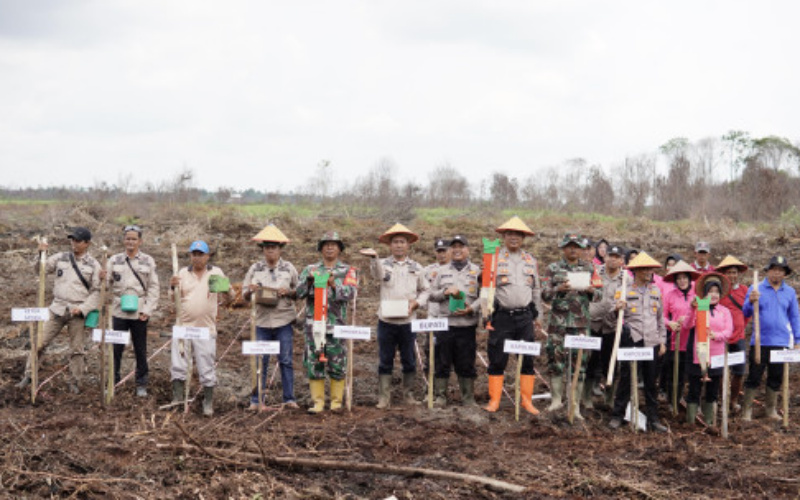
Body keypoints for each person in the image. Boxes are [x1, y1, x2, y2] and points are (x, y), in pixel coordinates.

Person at [17, 227, 101, 394]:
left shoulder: (93, 265)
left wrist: (83, 308)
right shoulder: (61, 257)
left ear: (87, 243)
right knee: (39, 343)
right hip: (56, 309)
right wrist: (41, 254)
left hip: (76, 312)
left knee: (77, 350)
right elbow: (40, 270)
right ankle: (29, 376)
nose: (73, 243)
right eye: (72, 240)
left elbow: (97, 291)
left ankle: (74, 382)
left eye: (77, 241)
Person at [361, 223, 430, 409]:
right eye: (395, 242)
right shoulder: (383, 264)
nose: (399, 245)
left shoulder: (417, 267)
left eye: (402, 242)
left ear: (408, 245)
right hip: (386, 321)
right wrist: (374, 258)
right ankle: (384, 397)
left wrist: (417, 303)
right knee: (385, 359)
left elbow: (426, 290)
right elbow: (377, 275)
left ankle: (408, 395)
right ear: (390, 246)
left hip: (408, 322)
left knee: (409, 359)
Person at [483, 216, 542, 415]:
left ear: (523, 238)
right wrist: (485, 312)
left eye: (518, 234)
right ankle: (495, 400)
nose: (514, 237)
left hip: (525, 317)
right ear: (503, 236)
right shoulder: (494, 258)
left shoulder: (530, 260)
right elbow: (486, 288)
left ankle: (526, 401)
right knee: (497, 357)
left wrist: (538, 316)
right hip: (502, 316)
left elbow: (536, 290)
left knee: (527, 358)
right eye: (510, 234)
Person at [541, 233, 602, 418]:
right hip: (558, 324)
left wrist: (592, 290)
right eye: (569, 246)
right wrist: (557, 289)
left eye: (576, 246)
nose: (573, 249)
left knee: (580, 364)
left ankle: (574, 404)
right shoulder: (553, 268)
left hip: (581, 324)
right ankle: (556, 400)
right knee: (555, 360)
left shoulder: (590, 268)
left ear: (582, 249)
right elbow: (544, 294)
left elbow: (600, 295)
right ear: (563, 248)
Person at [296, 232, 357, 413]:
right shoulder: (310, 269)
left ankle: (337, 402)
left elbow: (351, 294)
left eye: (334, 244)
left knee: (338, 363)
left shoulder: (348, 270)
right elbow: (298, 293)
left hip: (336, 325)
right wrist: (309, 281)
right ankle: (318, 402)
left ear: (339, 249)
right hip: (313, 325)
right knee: (314, 363)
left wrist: (333, 284)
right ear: (321, 248)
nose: (330, 247)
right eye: (326, 244)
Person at [169, 240, 232, 416]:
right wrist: (172, 286)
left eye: (200, 254)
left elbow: (228, 299)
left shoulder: (216, 273)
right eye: (194, 254)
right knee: (178, 364)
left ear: (207, 256)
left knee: (206, 365)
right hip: (183, 327)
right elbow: (173, 300)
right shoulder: (182, 273)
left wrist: (225, 288)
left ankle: (208, 402)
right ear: (190, 256)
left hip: (205, 329)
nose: (196, 258)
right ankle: (178, 398)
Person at [608, 252, 668, 433]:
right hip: (632, 340)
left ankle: (653, 419)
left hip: (652, 342)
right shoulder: (625, 290)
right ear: (637, 271)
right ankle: (617, 416)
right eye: (645, 269)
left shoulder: (656, 291)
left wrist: (662, 341)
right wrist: (616, 308)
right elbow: (612, 317)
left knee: (651, 382)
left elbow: (660, 320)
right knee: (626, 379)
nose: (649, 272)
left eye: (650, 269)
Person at [242, 224, 299, 410]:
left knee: (286, 359)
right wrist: (250, 291)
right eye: (267, 248)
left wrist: (288, 292)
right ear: (263, 250)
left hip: (283, 320)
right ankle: (256, 400)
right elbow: (243, 294)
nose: (270, 251)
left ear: (280, 249)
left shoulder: (289, 268)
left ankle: (289, 398)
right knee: (260, 360)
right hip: (261, 321)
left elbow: (299, 292)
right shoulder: (255, 269)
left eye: (274, 247)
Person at [741, 256, 800, 421]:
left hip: (781, 342)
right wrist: (750, 301)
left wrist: (797, 340)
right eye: (774, 270)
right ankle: (747, 410)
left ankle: (770, 409)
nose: (777, 273)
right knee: (754, 376)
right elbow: (745, 312)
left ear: (785, 274)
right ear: (768, 271)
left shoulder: (789, 292)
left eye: (781, 270)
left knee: (776, 377)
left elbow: (795, 317)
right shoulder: (756, 288)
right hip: (760, 342)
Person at [427, 235, 481, 406]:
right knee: (442, 362)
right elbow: (431, 295)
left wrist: (472, 308)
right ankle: (440, 396)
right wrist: (444, 293)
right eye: (454, 247)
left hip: (467, 325)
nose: (457, 250)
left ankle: (468, 397)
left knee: (466, 362)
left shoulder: (477, 271)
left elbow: (484, 296)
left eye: (461, 246)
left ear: (468, 249)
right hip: (445, 324)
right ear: (450, 251)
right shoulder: (441, 272)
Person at [108, 225, 159, 397]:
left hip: (139, 312)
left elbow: (153, 288)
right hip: (118, 311)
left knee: (140, 348)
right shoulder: (114, 260)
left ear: (140, 241)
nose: (130, 241)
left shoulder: (147, 261)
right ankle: (112, 380)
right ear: (124, 240)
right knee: (116, 348)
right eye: (127, 238)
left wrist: (148, 309)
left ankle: (141, 383)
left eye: (134, 239)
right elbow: (104, 285)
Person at [684, 273, 733, 426]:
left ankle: (709, 421)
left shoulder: (724, 311)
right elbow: (687, 325)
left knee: (712, 391)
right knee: (694, 389)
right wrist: (692, 309)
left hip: (717, 356)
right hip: (699, 355)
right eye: (710, 291)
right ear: (705, 293)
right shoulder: (700, 307)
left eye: (716, 292)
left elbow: (728, 331)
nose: (713, 295)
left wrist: (715, 335)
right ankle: (691, 421)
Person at [587, 244, 626, 407]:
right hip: (594, 324)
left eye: (617, 257)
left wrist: (621, 307)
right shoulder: (594, 272)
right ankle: (586, 398)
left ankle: (609, 399)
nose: (613, 259)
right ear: (604, 257)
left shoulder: (625, 279)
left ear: (622, 260)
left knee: (611, 364)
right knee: (590, 362)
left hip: (612, 327)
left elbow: (628, 301)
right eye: (610, 256)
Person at [660, 261, 700, 403]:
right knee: (674, 373)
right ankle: (673, 400)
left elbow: (705, 315)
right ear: (675, 280)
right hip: (674, 340)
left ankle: (686, 399)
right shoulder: (669, 295)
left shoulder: (697, 295)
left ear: (689, 279)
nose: (682, 281)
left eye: (684, 278)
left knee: (689, 373)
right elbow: (661, 316)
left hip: (692, 340)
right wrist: (670, 323)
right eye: (679, 278)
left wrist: (691, 318)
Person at [716, 255, 750, 412]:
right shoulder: (719, 291)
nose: (732, 275)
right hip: (721, 339)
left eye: (734, 272)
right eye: (728, 272)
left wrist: (741, 326)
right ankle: (720, 398)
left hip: (739, 337)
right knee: (720, 370)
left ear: (738, 274)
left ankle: (733, 400)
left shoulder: (745, 290)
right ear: (723, 274)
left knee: (739, 371)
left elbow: (748, 312)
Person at [423, 238, 451, 319]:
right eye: (439, 252)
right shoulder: (427, 270)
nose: (442, 254)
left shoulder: (455, 269)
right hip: (433, 314)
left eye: (444, 251)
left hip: (450, 315)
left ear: (450, 251)